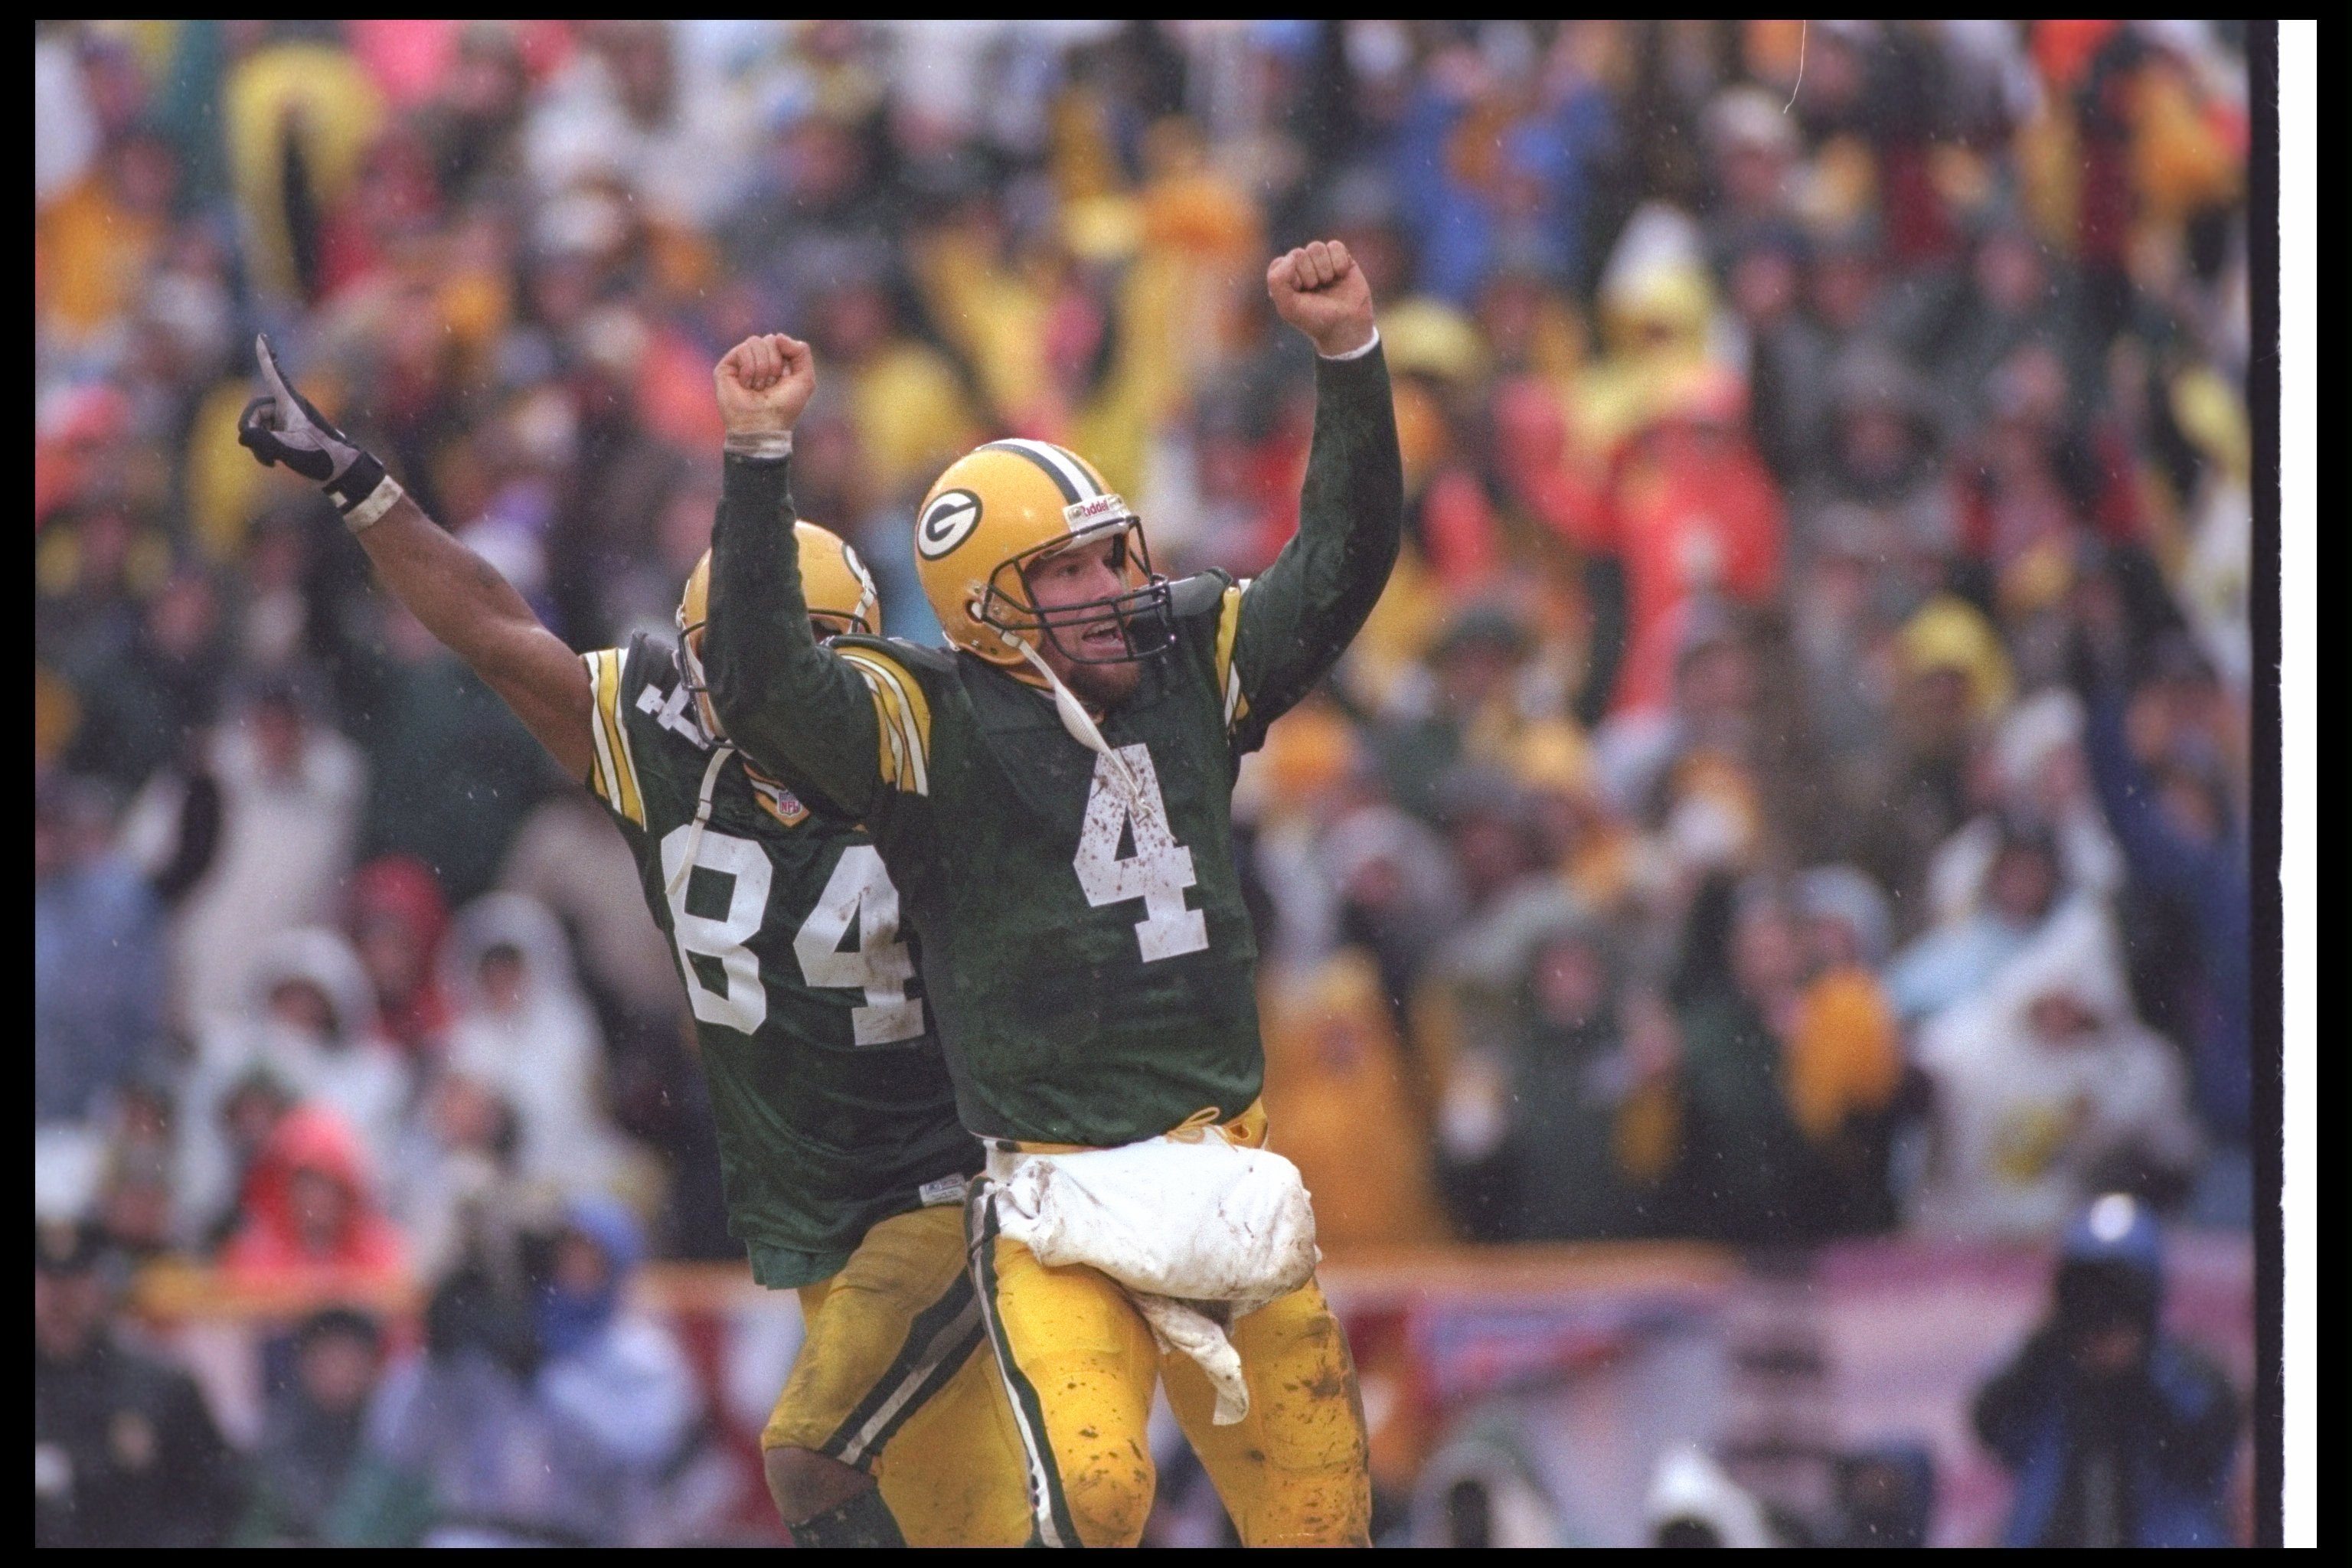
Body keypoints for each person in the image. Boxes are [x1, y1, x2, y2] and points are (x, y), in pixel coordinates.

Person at [234, 336, 1026, 1547]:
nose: (766, 694)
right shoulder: (662, 747)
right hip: (803, 1209)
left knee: (831, 1461)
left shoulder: (929, 768)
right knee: (936, 1510)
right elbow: (495, 627)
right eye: (740, 666)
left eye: (803, 659)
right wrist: (360, 483)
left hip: (941, 1190)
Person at [701, 238, 1399, 1546]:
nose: (1109, 590)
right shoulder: (933, 718)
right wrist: (756, 465)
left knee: (1321, 1521)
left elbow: (1343, 563)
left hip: (1224, 1161)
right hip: (1057, 1201)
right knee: (1095, 1494)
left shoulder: (1191, 654)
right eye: (1066, 573)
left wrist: (1348, 358)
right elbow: (766, 688)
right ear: (986, 607)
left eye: (1110, 557)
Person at [1972, 1194, 2239, 1547]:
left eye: (2121, 1291)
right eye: (2088, 1291)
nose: (2103, 1311)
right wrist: (2050, 1338)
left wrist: (2142, 1365)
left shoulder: (2189, 1373)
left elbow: (2209, 1445)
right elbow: (1989, 1424)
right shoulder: (2049, 1375)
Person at [34, 1219, 246, 1547]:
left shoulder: (159, 1386)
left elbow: (216, 1493)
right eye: (48, 1285)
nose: (61, 1302)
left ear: (101, 1290)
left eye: (76, 1284)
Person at [235, 1308, 387, 1545]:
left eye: (350, 1360)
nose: (339, 1373)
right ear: (303, 1364)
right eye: (327, 1359)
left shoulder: (394, 1440)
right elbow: (252, 1529)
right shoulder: (275, 1440)